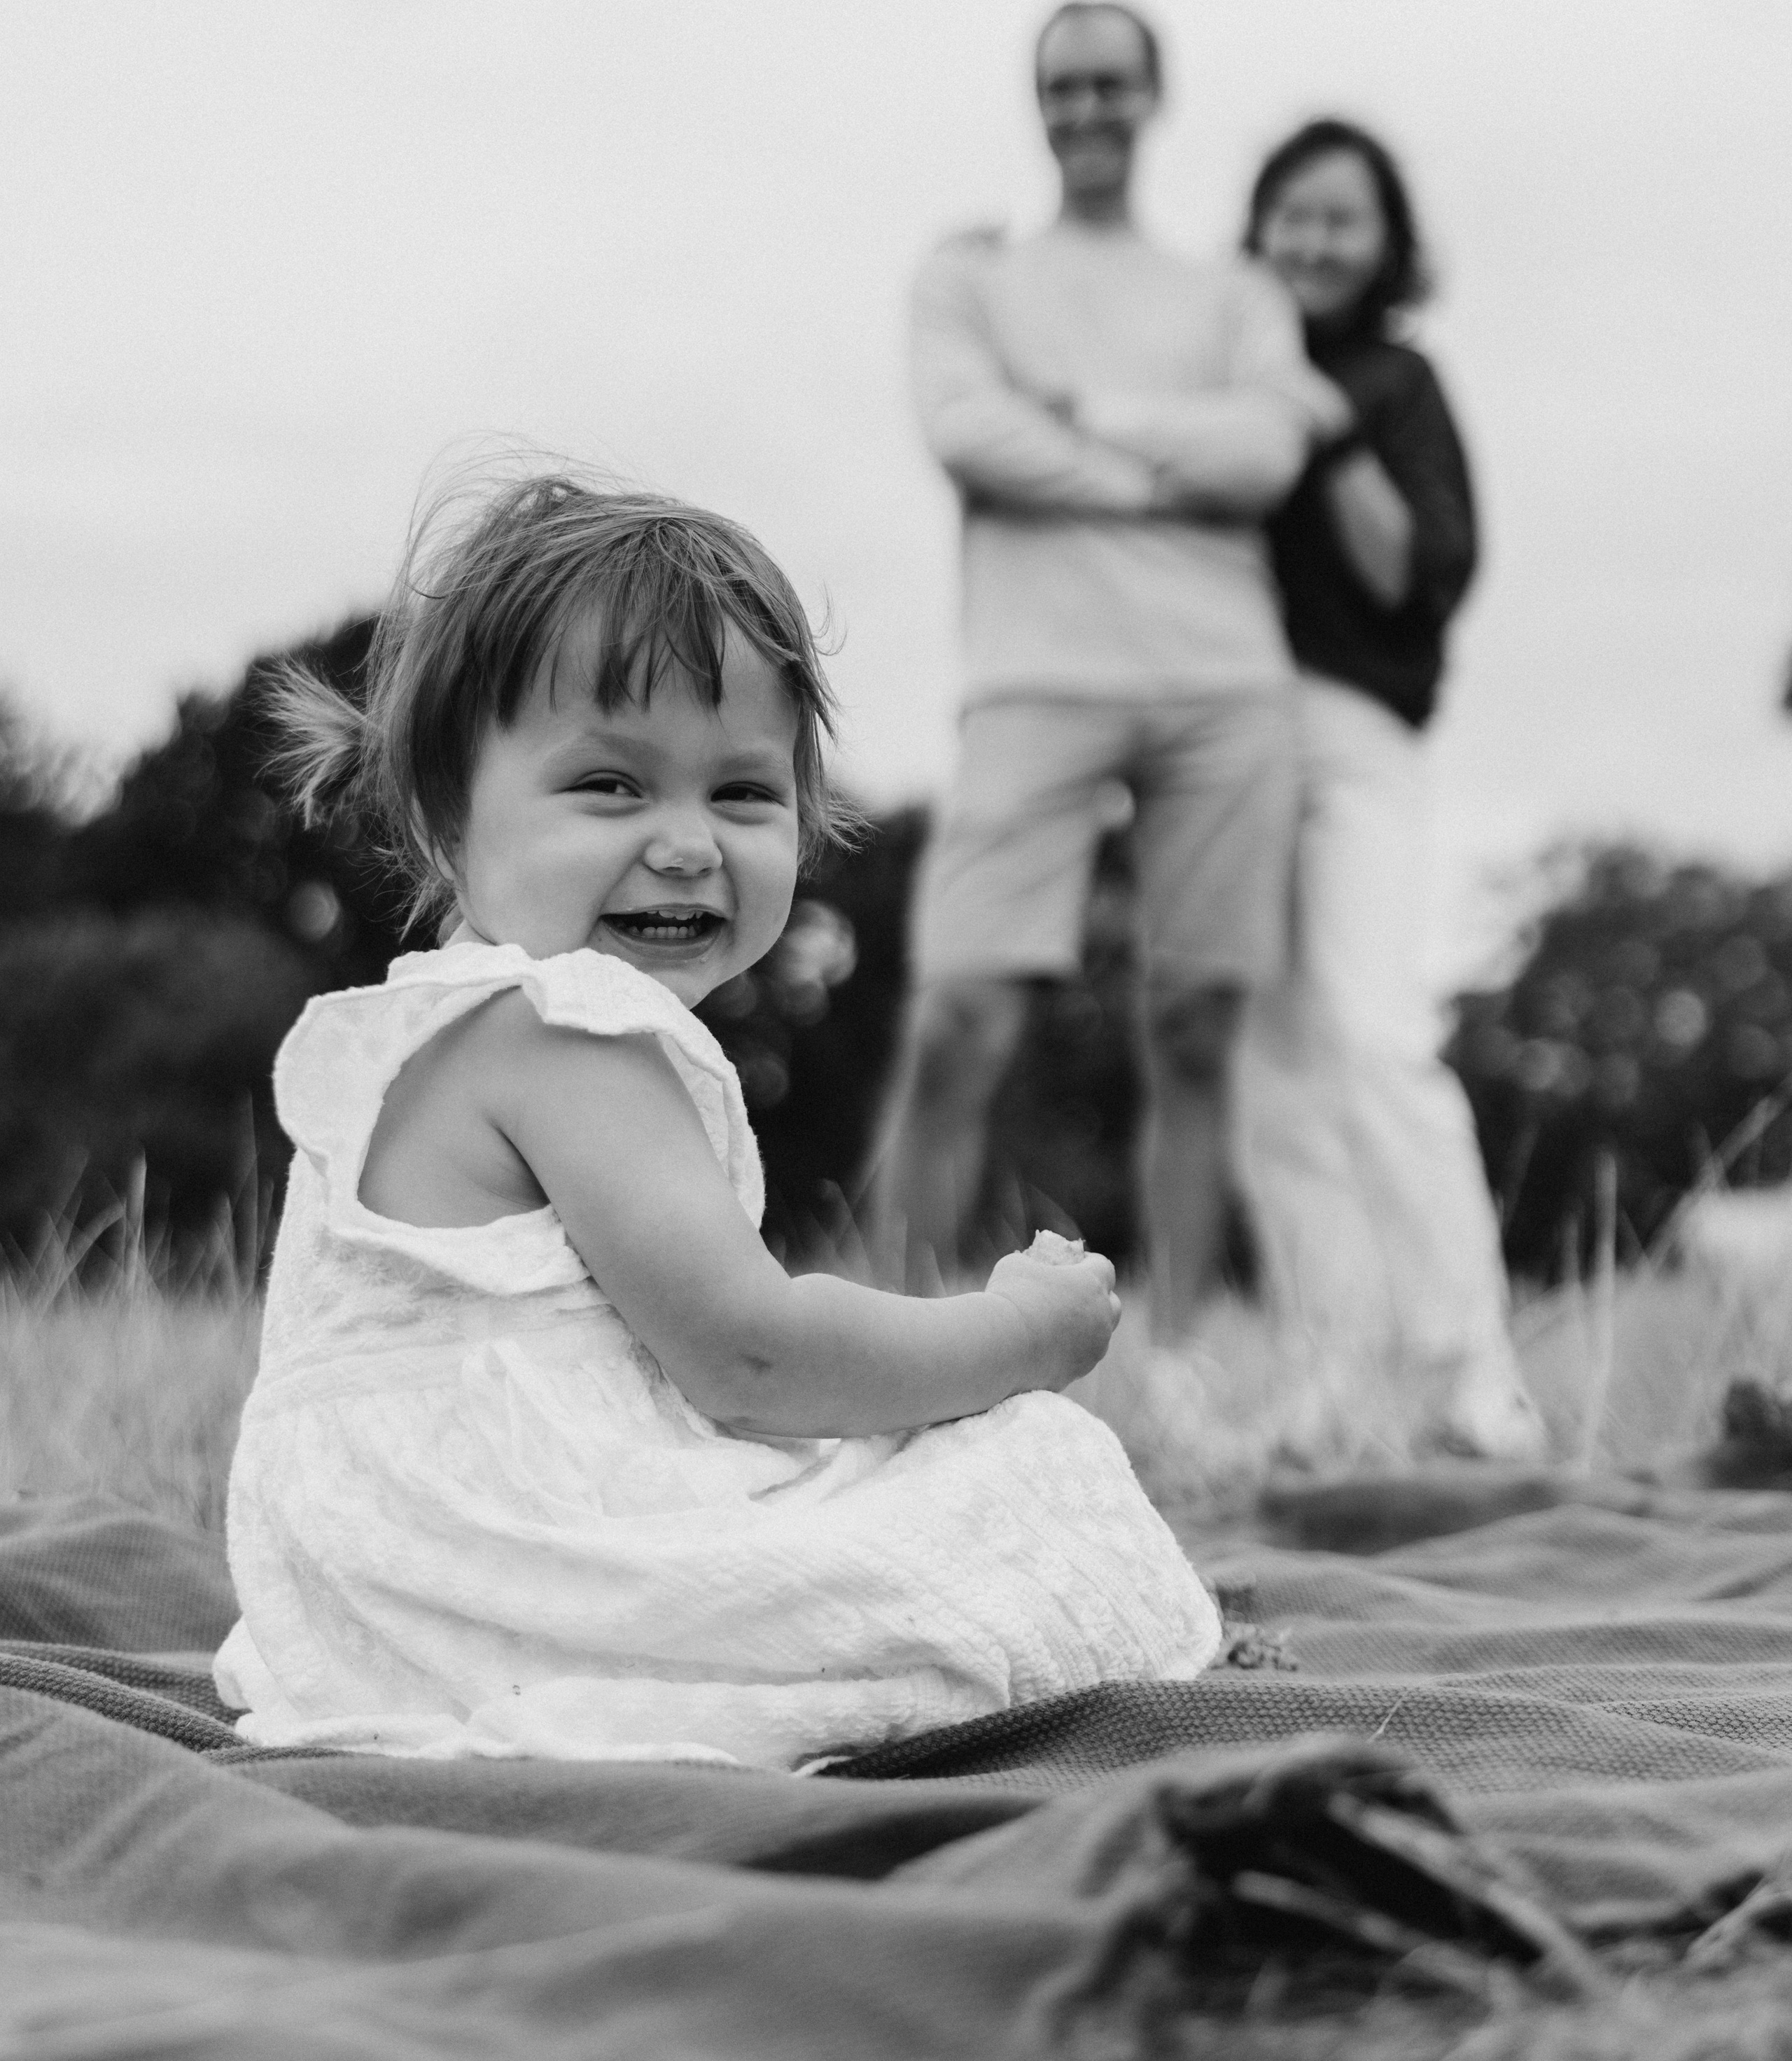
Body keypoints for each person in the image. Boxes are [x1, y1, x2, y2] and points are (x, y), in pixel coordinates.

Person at [213, 473, 1221, 1771]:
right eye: (612, 788)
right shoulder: (570, 1034)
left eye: (743, 794)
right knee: (1032, 1462)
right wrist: (1014, 1335)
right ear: (448, 818)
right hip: (528, 1582)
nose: (688, 844)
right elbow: (752, 1362)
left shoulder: (446, 1026)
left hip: (388, 1611)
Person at [876, 1, 1345, 1334]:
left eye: (1110, 84)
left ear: (1154, 97)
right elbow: (966, 435)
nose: (1086, 109)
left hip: (1222, 684)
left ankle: (1184, 1347)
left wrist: (1079, 422)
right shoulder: (969, 277)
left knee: (1199, 1029)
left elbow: (1267, 461)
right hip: (1033, 675)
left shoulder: (1235, 293)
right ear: (1037, 102)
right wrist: (1167, 477)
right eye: (1062, 86)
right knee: (959, 1017)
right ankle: (880, 1342)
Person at [1233, 118, 1542, 1458]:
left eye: (1340, 217)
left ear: (1387, 242)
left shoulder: (1398, 381)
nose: (1312, 238)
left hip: (1357, 733)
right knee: (1269, 1072)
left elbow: (1416, 572)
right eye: (1290, 213)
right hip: (1230, 744)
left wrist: (1323, 423)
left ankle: (1474, 1377)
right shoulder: (1223, 375)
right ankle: (1334, 1385)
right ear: (1257, 231)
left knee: (1371, 1037)